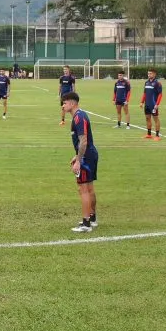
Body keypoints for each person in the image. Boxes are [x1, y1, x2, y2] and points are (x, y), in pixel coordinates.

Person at [62, 92, 99, 232]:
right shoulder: (80, 116)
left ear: (72, 103)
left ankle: (86, 224)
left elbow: (83, 141)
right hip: (89, 155)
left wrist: (79, 160)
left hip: (86, 158)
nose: (63, 106)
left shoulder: (78, 118)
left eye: (64, 103)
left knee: (83, 190)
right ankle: (92, 218)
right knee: (89, 189)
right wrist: (77, 155)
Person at [140, 69, 163, 140]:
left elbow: (160, 94)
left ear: (154, 74)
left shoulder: (157, 83)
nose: (149, 75)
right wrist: (142, 102)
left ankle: (157, 135)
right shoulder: (146, 82)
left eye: (150, 73)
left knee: (156, 119)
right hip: (147, 104)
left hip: (153, 105)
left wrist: (157, 104)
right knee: (147, 118)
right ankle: (149, 134)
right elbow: (144, 93)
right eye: (148, 74)